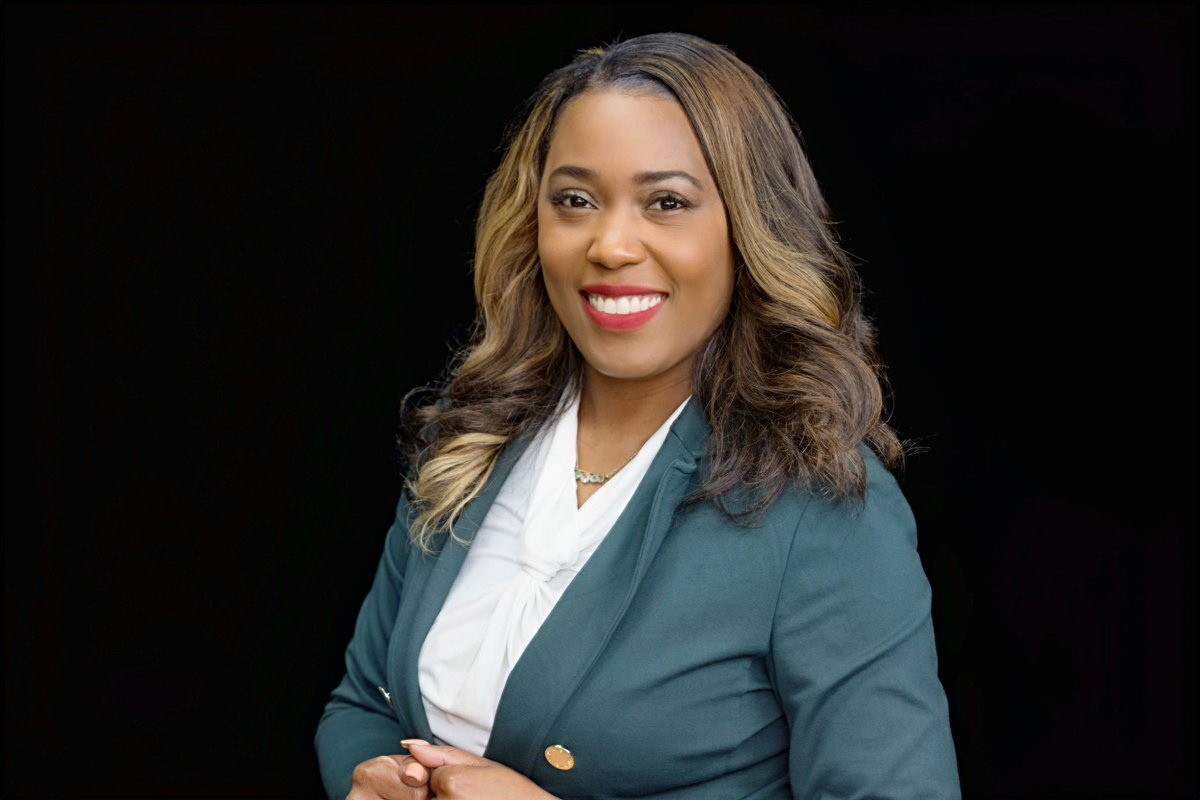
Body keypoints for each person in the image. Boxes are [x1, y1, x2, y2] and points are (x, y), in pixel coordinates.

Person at [315, 31, 961, 799]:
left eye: (667, 203)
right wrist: (374, 778)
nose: (611, 244)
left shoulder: (821, 511)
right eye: (576, 201)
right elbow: (360, 705)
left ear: (749, 231)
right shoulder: (471, 440)